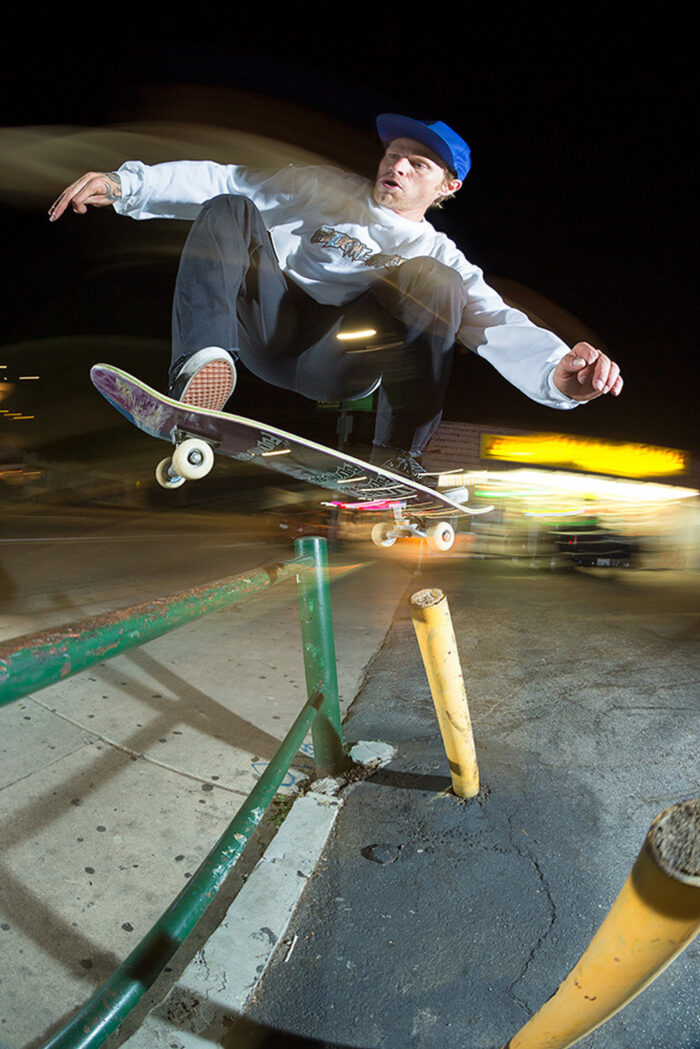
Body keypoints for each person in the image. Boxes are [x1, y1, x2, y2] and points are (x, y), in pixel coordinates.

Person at [49, 113, 622, 482]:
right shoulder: (319, 187)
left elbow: (497, 322)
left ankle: (396, 453)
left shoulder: (441, 255)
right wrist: (129, 185)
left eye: (417, 163)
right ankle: (201, 369)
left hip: (340, 359)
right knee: (229, 207)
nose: (396, 166)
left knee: (437, 283)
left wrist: (557, 377)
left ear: (448, 187)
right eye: (393, 154)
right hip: (262, 327)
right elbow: (226, 179)